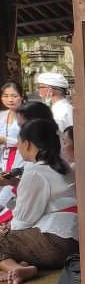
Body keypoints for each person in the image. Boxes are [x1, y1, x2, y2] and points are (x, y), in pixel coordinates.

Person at [0, 118, 78, 284]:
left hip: (54, 243)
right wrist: (15, 183)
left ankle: (13, 267)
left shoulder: (35, 172)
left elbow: (23, 220)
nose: (18, 146)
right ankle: (22, 267)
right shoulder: (63, 165)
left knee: (4, 239)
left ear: (27, 144)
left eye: (19, 142)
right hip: (74, 242)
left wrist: (7, 229)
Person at [0, 83, 25, 217]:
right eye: (5, 96)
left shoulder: (27, 116)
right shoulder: (2, 115)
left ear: (21, 96)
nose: (10, 99)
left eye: (14, 96)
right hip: (3, 160)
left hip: (20, 161)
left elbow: (30, 142)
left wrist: (5, 140)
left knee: (8, 199)